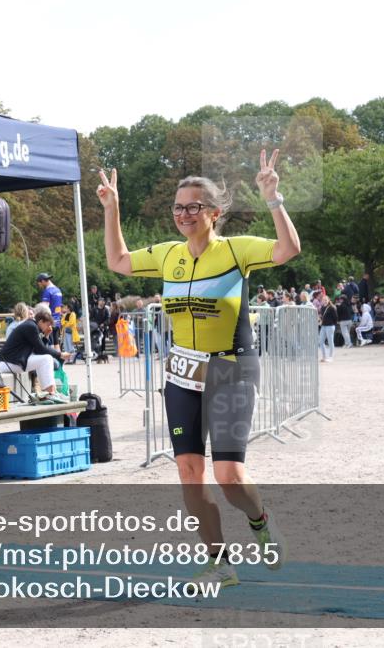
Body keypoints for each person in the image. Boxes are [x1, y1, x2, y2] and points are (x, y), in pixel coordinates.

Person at [97, 148, 298, 587]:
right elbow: (119, 261)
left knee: (228, 476)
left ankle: (260, 521)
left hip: (231, 370)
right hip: (183, 375)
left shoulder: (236, 251)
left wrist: (273, 198)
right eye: (178, 207)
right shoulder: (169, 255)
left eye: (193, 207)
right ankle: (219, 561)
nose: (183, 214)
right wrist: (112, 209)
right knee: (189, 472)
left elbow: (287, 249)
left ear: (214, 212)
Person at [0, 310, 68, 396]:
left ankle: (50, 391)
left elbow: (38, 350)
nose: (49, 327)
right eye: (48, 325)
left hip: (13, 361)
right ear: (41, 321)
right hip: (10, 363)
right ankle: (51, 392)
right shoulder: (31, 327)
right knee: (47, 359)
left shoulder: (31, 325)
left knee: (45, 359)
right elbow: (41, 349)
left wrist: (46, 336)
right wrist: (60, 354)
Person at [36, 272, 64, 351]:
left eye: (39, 284)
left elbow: (45, 307)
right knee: (56, 342)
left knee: (50, 343)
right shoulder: (58, 290)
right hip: (58, 320)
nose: (40, 286)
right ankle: (59, 362)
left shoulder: (47, 291)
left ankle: (52, 361)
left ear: (43, 281)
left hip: (49, 321)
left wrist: (34, 309)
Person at [318, 294, 337, 363]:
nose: (324, 301)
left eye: (326, 300)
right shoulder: (322, 307)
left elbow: (335, 318)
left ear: (329, 300)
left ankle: (330, 357)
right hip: (323, 326)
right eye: (323, 300)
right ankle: (324, 356)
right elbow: (322, 316)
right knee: (321, 341)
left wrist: (333, 324)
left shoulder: (332, 307)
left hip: (330, 326)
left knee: (330, 341)